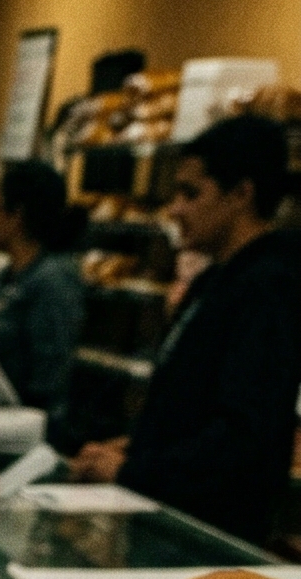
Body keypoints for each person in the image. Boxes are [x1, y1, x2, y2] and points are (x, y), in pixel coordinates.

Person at [72, 114, 301, 543]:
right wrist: (133, 446)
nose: (175, 209)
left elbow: (242, 437)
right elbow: (191, 408)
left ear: (241, 194)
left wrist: (133, 469)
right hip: (166, 519)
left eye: (190, 193)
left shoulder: (269, 287)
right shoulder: (215, 281)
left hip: (208, 537)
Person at [0, 159, 87, 445]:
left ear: (17, 215)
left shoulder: (53, 280)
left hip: (26, 438)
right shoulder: (4, 276)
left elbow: (50, 377)